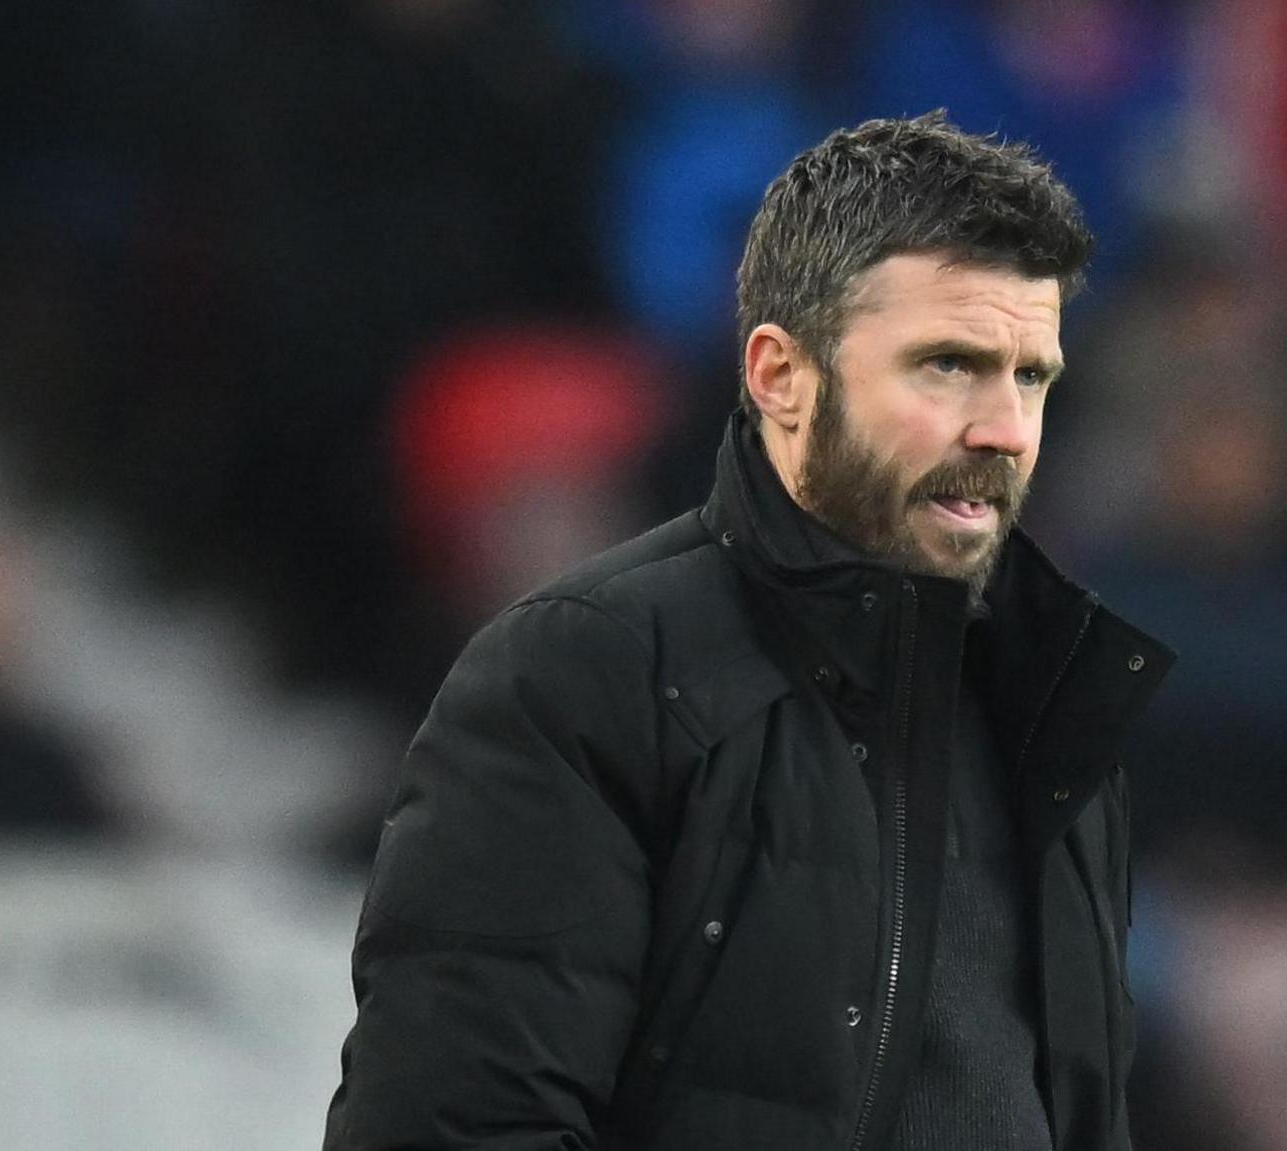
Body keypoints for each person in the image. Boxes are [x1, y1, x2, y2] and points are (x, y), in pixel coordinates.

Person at [324, 112, 1174, 1151]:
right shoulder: (582, 675)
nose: (999, 428)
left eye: (1027, 375)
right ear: (779, 375)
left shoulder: (1046, 721)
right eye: (944, 366)